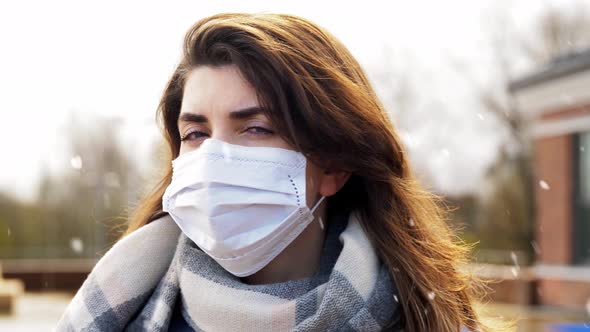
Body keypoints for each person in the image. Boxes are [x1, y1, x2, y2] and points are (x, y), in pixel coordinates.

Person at [57, 13, 493, 331]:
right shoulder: (118, 307)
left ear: (334, 164)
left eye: (255, 128)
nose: (214, 158)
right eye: (195, 133)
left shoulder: (423, 320)